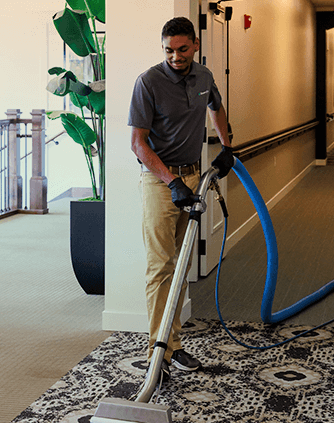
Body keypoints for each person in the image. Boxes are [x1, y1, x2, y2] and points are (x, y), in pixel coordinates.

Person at [128, 17, 233, 381]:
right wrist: (171, 182)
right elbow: (138, 142)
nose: (175, 56)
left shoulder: (204, 77)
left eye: (182, 49)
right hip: (160, 182)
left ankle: (173, 345)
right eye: (169, 50)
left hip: (193, 175)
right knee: (160, 266)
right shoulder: (148, 82)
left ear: (195, 45)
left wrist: (227, 146)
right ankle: (157, 355)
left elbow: (215, 107)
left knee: (182, 260)